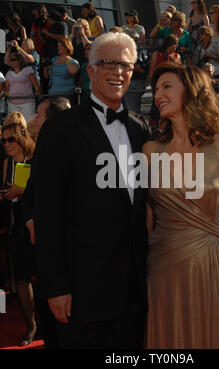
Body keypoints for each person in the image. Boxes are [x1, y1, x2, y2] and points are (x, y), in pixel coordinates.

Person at [32, 32, 149, 349]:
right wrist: (55, 287)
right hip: (81, 294)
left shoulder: (141, 128)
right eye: (108, 62)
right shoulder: (61, 129)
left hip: (134, 295)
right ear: (91, 69)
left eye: (125, 64)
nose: (118, 72)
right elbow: (46, 212)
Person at [144, 63, 219, 349]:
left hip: (212, 261)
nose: (157, 95)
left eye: (166, 86)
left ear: (191, 92)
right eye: (155, 89)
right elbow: (147, 214)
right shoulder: (150, 151)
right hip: (162, 263)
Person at [21, 97, 71, 349]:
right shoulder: (35, 154)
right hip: (40, 257)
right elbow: (28, 195)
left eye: (39, 115)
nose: (34, 120)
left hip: (70, 261)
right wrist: (31, 221)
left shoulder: (79, 152)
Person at [0, 120, 36, 346]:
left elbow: (44, 192)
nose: (6, 144)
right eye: (3, 140)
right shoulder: (6, 164)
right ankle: (31, 325)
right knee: (21, 280)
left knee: (37, 277)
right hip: (15, 228)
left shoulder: (35, 160)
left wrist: (23, 190)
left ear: (22, 138)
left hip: (34, 227)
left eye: (11, 139)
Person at [4, 52, 39, 122]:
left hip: (27, 102)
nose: (11, 62)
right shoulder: (8, 73)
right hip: (12, 103)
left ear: (19, 60)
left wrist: (37, 92)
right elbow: (7, 88)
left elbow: (36, 85)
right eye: (10, 60)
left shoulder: (28, 70)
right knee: (14, 124)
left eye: (13, 59)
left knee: (28, 123)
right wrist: (6, 97)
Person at [45, 37, 79, 103]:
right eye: (58, 46)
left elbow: (73, 71)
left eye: (61, 46)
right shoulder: (54, 59)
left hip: (66, 95)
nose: (58, 48)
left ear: (67, 47)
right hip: (52, 94)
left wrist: (66, 59)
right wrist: (45, 66)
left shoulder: (73, 61)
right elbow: (46, 76)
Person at [123, 32, 149, 114]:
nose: (133, 41)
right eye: (130, 39)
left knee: (135, 108)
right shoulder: (123, 52)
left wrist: (138, 69)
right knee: (130, 108)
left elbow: (145, 68)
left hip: (139, 81)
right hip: (128, 81)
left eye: (136, 39)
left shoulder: (143, 51)